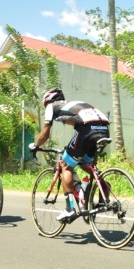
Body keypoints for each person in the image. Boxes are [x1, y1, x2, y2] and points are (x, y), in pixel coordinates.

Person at [29, 88, 110, 222]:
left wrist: (36, 145)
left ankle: (69, 208)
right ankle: (102, 194)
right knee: (86, 163)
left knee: (66, 166)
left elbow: (45, 134)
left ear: (48, 101)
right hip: (103, 129)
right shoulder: (75, 104)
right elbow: (78, 126)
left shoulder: (51, 106)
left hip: (87, 130)